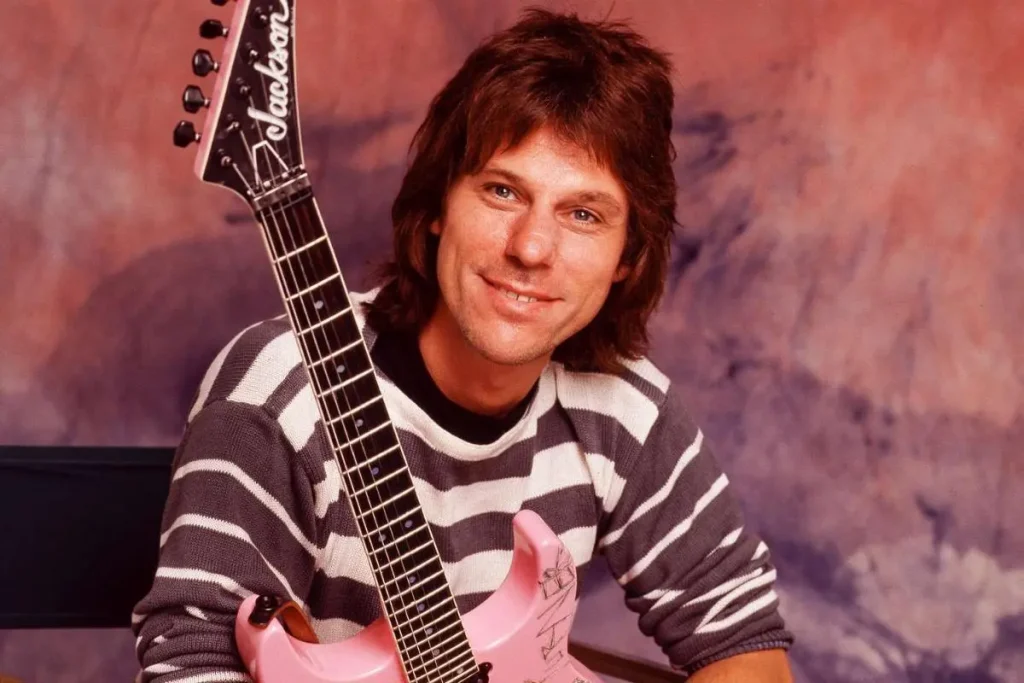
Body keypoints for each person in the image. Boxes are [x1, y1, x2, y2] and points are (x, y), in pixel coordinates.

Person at [133, 7, 794, 682]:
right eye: (503, 190)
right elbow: (192, 663)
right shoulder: (278, 393)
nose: (532, 247)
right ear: (438, 206)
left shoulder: (627, 411)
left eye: (584, 214)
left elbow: (742, 641)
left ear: (627, 254)